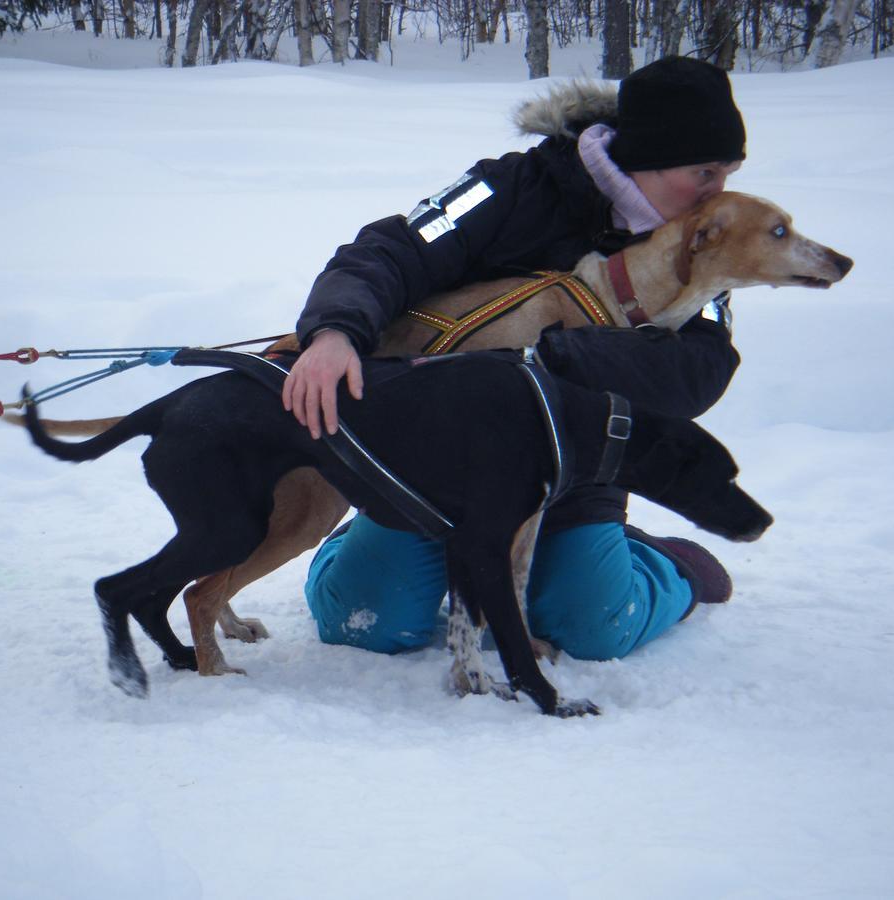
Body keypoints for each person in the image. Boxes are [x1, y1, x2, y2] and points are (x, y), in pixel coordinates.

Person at [281, 56, 748, 662]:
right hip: (436, 455)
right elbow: (391, 251)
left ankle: (666, 568)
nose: (720, 192)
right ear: (648, 158)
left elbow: (699, 371)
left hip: (572, 466)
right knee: (366, 622)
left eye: (730, 172)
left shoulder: (703, 244)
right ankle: (359, 542)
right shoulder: (511, 185)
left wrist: (536, 361)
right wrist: (335, 331)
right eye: (705, 172)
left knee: (589, 627)